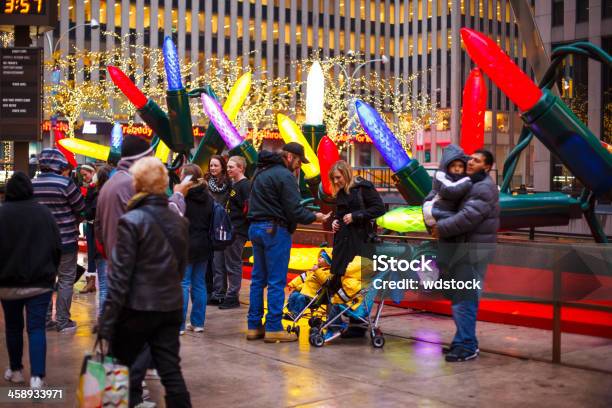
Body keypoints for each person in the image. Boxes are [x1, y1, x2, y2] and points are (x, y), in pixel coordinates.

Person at [96, 135, 190, 407]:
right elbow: (180, 269)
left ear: (137, 183)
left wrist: (108, 318)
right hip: (170, 305)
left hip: (137, 306)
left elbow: (121, 274)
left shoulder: (131, 219)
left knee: (118, 367)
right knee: (171, 371)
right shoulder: (178, 220)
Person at [247, 142, 330, 342]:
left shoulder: (260, 172)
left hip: (256, 228)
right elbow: (294, 210)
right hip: (275, 230)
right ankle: (274, 327)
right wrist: (316, 217)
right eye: (299, 161)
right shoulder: (285, 176)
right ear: (291, 157)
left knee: (258, 280)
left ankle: (254, 327)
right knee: (276, 281)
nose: (299, 166)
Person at [431, 149, 500, 363]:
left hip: (473, 252)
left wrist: (440, 228)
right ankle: (463, 340)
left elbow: (467, 217)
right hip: (465, 250)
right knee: (461, 299)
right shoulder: (470, 183)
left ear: (487, 167)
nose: (470, 162)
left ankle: (467, 345)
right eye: (471, 158)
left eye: (477, 161)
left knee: (465, 301)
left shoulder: (484, 187)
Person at [0, 172, 61, 389]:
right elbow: (56, 246)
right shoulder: (43, 213)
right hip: (39, 283)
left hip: (7, 284)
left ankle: (16, 370)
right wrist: (51, 271)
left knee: (14, 327)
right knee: (36, 329)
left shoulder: (2, 213)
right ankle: (37, 377)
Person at [327, 160, 386, 341]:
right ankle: (339, 323)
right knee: (338, 280)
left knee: (357, 284)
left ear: (346, 174)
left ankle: (356, 324)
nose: (336, 181)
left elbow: (379, 208)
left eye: (338, 177)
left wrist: (356, 216)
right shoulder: (341, 192)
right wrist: (335, 221)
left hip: (360, 243)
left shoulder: (363, 188)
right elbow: (339, 213)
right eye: (333, 178)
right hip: (343, 244)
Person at [32, 149, 85, 333]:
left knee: (46, 280)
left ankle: (46, 321)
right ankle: (63, 322)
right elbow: (81, 208)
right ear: (58, 164)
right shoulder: (66, 183)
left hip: (41, 243)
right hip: (66, 241)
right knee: (66, 280)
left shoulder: (32, 185)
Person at [178, 163, 214, 335]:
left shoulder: (183, 197)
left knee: (183, 284)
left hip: (185, 244)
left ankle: (179, 326)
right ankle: (198, 323)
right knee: (199, 284)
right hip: (203, 244)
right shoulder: (208, 197)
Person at [218, 156, 251, 309]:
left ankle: (232, 297)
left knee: (233, 264)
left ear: (240, 168)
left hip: (237, 230)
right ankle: (231, 295)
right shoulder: (234, 184)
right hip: (231, 228)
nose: (228, 169)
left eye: (231, 167)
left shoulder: (245, 186)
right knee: (229, 262)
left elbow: (248, 209)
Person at [422, 144, 472, 232]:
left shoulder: (461, 179)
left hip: (443, 210)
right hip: (433, 209)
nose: (457, 169)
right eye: (453, 166)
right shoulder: (440, 175)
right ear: (447, 166)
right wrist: (471, 179)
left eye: (460, 166)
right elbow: (450, 190)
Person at [84, 165, 112, 316]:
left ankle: (104, 321)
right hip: (116, 245)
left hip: (102, 246)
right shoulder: (116, 194)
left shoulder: (97, 195)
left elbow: (90, 215)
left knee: (104, 285)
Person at [205, 155, 231, 305]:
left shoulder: (229, 184)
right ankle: (210, 291)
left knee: (219, 262)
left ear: (222, 166)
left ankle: (220, 292)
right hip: (208, 225)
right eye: (211, 165)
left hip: (221, 225)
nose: (213, 168)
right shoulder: (206, 183)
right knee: (209, 262)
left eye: (216, 165)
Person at [80, 164, 98, 294]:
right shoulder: (92, 187)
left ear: (92, 173)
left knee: (93, 254)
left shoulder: (96, 188)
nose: (84, 178)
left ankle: (92, 282)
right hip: (91, 224)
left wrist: (84, 212)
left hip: (95, 225)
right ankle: (91, 282)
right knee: (91, 254)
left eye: (85, 174)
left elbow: (92, 208)